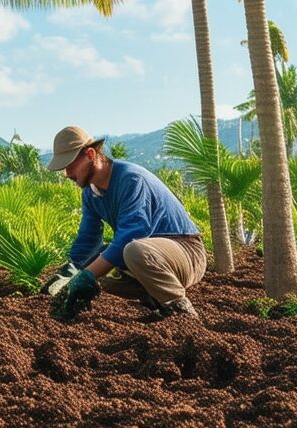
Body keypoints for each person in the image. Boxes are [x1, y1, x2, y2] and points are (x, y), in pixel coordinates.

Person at [43, 125, 206, 321]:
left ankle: (180, 312)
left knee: (132, 250)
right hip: (151, 253)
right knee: (106, 278)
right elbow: (88, 240)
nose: (67, 174)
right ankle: (155, 301)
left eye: (70, 165)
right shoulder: (90, 194)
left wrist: (87, 275)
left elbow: (133, 233)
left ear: (90, 154)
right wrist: (71, 271)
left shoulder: (131, 179)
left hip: (186, 251)